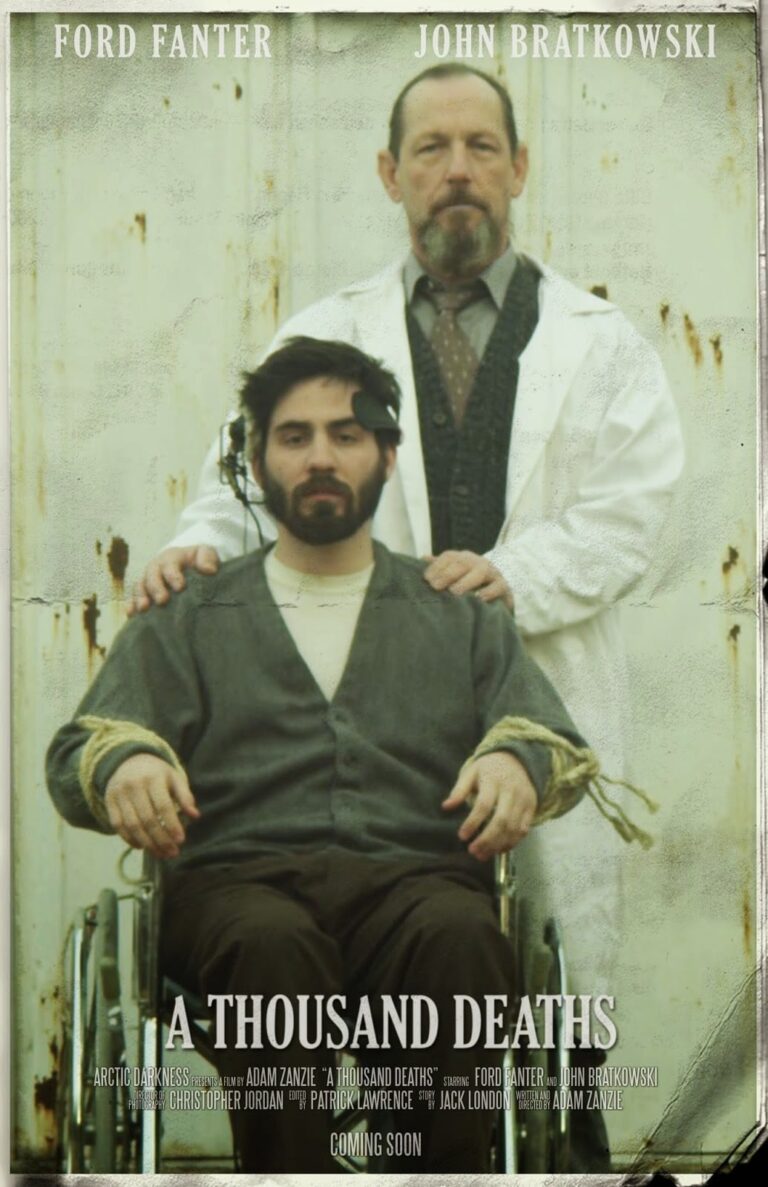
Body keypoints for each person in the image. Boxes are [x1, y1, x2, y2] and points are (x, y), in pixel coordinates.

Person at [125, 63, 684, 1166]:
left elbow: (633, 513)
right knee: (366, 947)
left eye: (482, 146)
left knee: (530, 971)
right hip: (359, 703)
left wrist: (509, 577)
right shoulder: (327, 330)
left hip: (526, 687)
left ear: (520, 167)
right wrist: (196, 544)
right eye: (431, 149)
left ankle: (548, 1155)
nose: (457, 170)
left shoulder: (602, 342)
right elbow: (251, 476)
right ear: (391, 173)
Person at [46, 337, 615, 1173]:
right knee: (271, 947)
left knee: (463, 937)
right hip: (239, 897)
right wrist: (125, 763)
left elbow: (549, 735)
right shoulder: (190, 612)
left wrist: (514, 763)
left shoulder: (458, 611)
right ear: (255, 461)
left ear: (387, 456)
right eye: (295, 435)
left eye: (348, 435)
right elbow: (80, 748)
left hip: (417, 891)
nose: (321, 456)